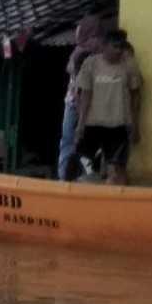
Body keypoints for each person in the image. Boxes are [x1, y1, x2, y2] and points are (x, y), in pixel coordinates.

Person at [75, 30, 142, 185]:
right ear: (104, 46)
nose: (118, 51)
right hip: (92, 124)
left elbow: (136, 96)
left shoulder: (129, 65)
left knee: (117, 171)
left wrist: (135, 124)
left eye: (121, 47)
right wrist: (80, 125)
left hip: (118, 125)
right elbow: (85, 95)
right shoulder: (90, 64)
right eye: (115, 46)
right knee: (87, 169)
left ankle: (120, 205)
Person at [58, 16, 101, 180]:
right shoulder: (78, 51)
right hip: (73, 103)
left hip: (92, 105)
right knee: (68, 139)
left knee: (87, 143)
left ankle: (86, 177)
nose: (82, 41)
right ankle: (64, 178)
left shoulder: (103, 54)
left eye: (88, 38)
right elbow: (70, 69)